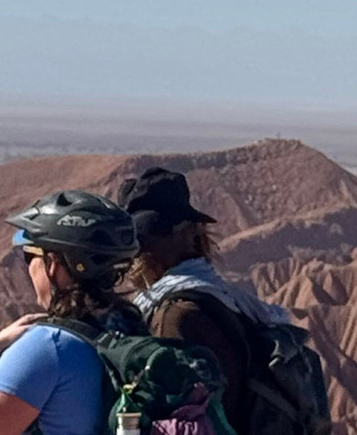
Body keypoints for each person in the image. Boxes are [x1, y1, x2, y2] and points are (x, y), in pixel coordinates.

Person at [0, 189, 144, 435]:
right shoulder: (129, 327)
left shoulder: (47, 347)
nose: (28, 267)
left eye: (29, 255)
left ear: (52, 264)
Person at [118, 167, 291, 430]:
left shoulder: (175, 317)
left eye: (143, 241)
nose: (137, 254)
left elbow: (181, 424)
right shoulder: (224, 298)